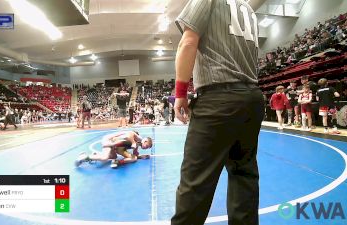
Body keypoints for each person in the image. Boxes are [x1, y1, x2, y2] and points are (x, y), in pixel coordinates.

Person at [172, 0, 265, 224]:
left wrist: (180, 93)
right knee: (244, 175)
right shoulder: (248, 9)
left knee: (195, 182)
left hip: (218, 100)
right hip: (251, 98)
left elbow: (188, 42)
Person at [75, 131, 153, 168]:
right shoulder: (138, 138)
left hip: (115, 145)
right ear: (145, 141)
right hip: (110, 140)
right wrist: (132, 142)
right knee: (104, 158)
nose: (146, 148)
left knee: (113, 156)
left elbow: (135, 154)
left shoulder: (138, 144)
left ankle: (95, 156)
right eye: (147, 146)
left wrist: (142, 157)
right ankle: (84, 157)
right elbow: (130, 133)